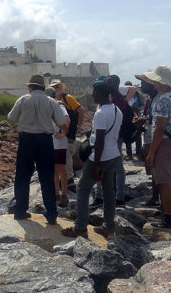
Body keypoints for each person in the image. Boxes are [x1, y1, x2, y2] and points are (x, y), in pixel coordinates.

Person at [61, 81, 123, 238]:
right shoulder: (117, 110)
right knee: (109, 192)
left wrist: (96, 166)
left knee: (83, 189)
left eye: (94, 92)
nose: (93, 95)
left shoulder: (101, 113)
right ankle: (109, 228)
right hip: (114, 154)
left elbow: (100, 141)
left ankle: (80, 227)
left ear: (101, 94)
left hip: (100, 156)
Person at [8, 75, 67, 225]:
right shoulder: (51, 101)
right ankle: (52, 214)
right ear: (43, 87)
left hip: (26, 140)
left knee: (22, 177)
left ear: (30, 87)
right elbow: (61, 123)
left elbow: (11, 118)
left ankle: (20, 210)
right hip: (45, 141)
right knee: (47, 177)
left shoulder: (23, 99)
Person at [143, 66, 171, 229]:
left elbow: (160, 128)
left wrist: (152, 152)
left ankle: (168, 218)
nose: (153, 83)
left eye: (155, 80)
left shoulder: (162, 100)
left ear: (161, 82)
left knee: (165, 181)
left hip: (164, 143)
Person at [90, 74, 129, 208]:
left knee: (113, 169)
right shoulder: (113, 101)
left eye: (109, 82)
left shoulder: (119, 101)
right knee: (113, 169)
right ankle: (107, 196)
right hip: (112, 139)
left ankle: (116, 197)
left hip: (113, 139)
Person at [49, 79, 85, 193]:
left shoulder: (67, 98)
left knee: (67, 156)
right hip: (57, 135)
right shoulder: (53, 101)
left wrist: (78, 125)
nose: (56, 89)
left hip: (68, 133)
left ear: (61, 88)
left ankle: (69, 180)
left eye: (57, 87)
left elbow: (81, 110)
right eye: (54, 87)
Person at [134, 75, 159, 207]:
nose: (141, 86)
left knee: (155, 168)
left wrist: (145, 120)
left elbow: (159, 121)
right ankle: (156, 196)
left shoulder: (158, 99)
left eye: (143, 83)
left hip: (155, 137)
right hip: (149, 136)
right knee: (152, 168)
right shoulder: (150, 99)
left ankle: (156, 198)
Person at [46, 86, 70, 207]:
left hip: (59, 142)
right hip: (52, 141)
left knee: (60, 167)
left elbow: (67, 120)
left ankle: (64, 194)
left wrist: (62, 133)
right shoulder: (50, 106)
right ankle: (56, 193)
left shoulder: (59, 106)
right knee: (54, 168)